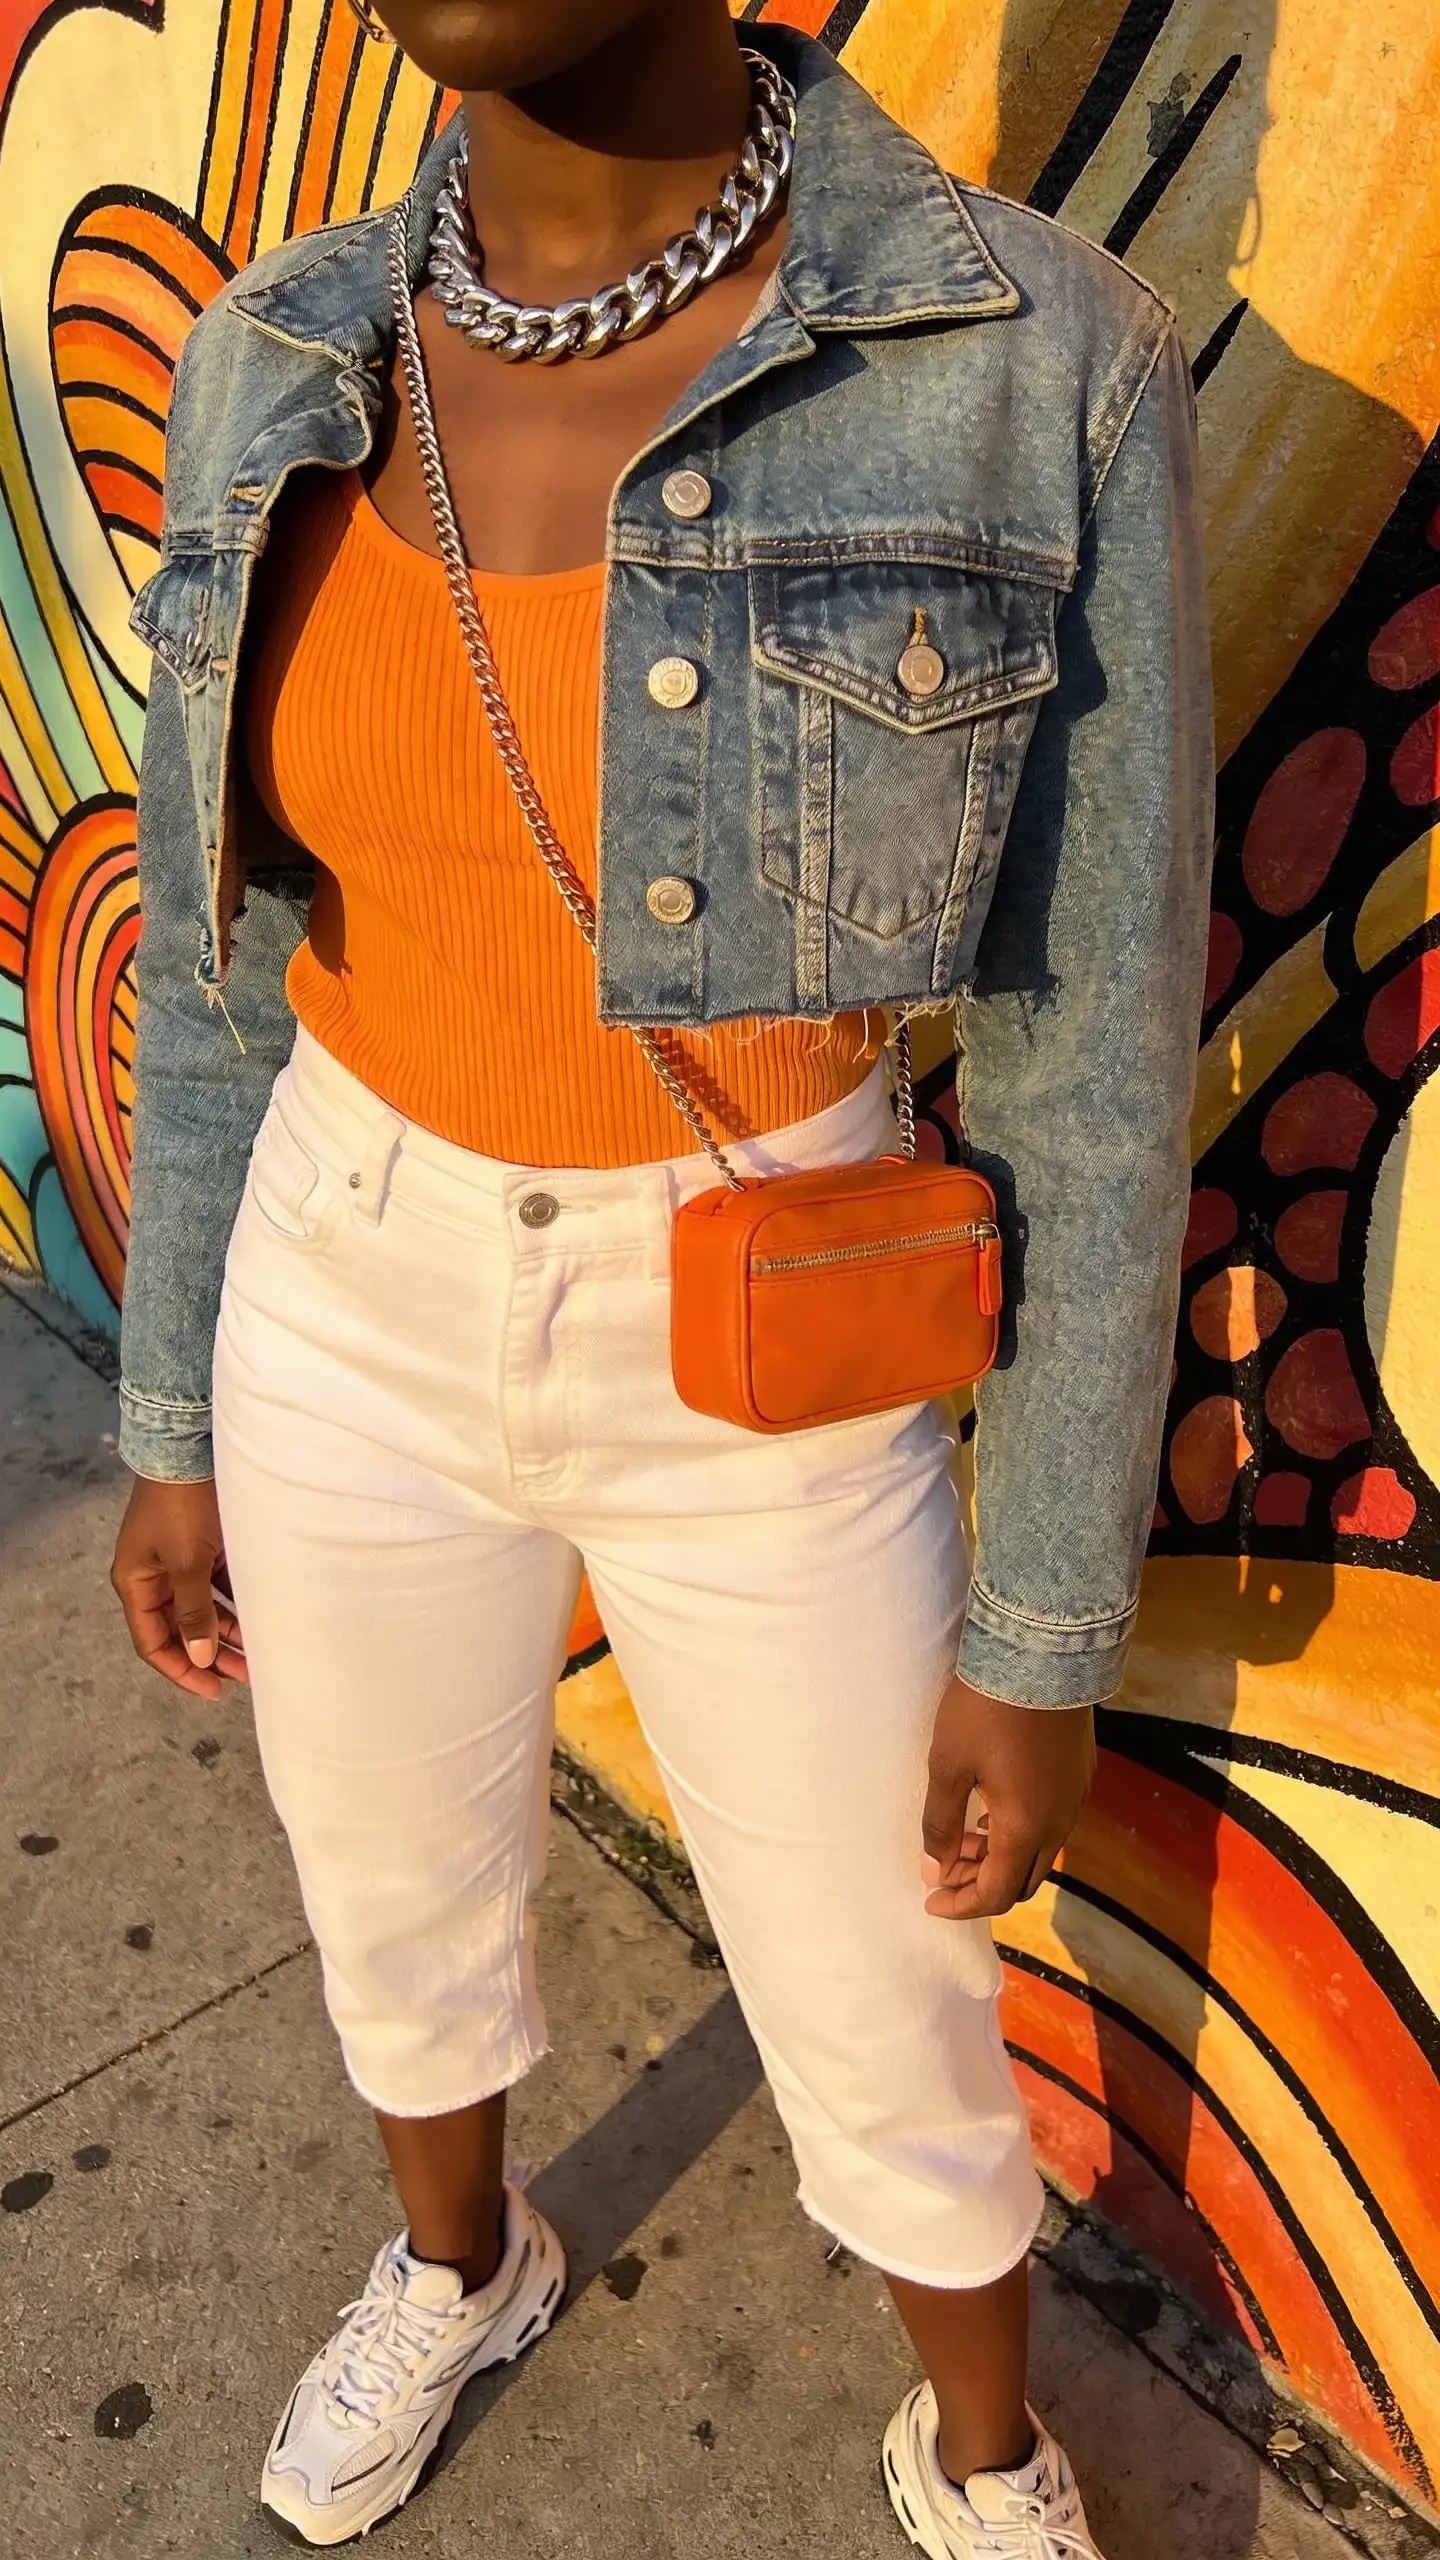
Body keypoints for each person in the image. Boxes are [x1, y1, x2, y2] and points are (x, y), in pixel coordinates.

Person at [108, 0, 1213, 2548]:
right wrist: (174, 1405)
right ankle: (458, 2259)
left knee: (890, 1989)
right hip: (341, 1265)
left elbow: (1085, 1053)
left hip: (773, 1332)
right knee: (380, 1877)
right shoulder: (276, 346)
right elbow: (203, 954)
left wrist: (1040, 1626)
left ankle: (984, 2450)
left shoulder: (1035, 360)